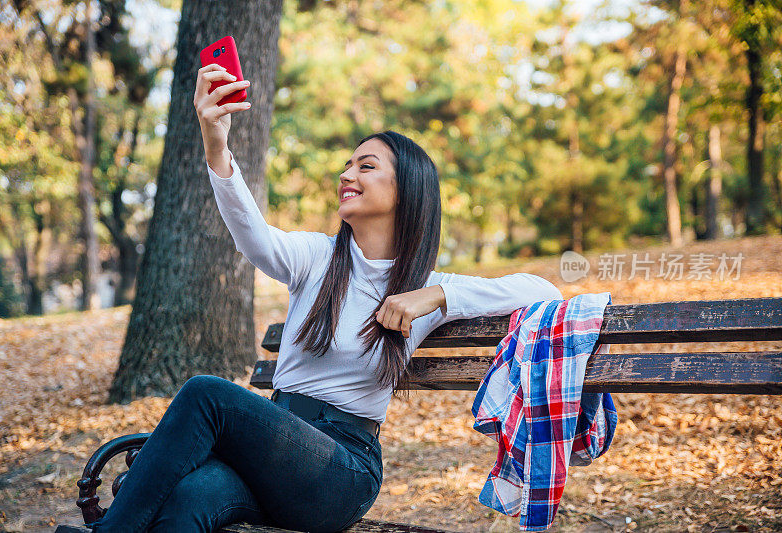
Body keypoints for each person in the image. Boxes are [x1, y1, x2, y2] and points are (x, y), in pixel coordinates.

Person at [87, 63, 563, 533]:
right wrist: (217, 144)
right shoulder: (317, 257)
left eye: (366, 166)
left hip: (339, 472)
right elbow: (252, 236)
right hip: (272, 450)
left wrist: (437, 295)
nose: (346, 174)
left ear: (407, 191)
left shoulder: (426, 291)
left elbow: (544, 291)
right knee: (188, 501)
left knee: (205, 393)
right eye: (347, 165)